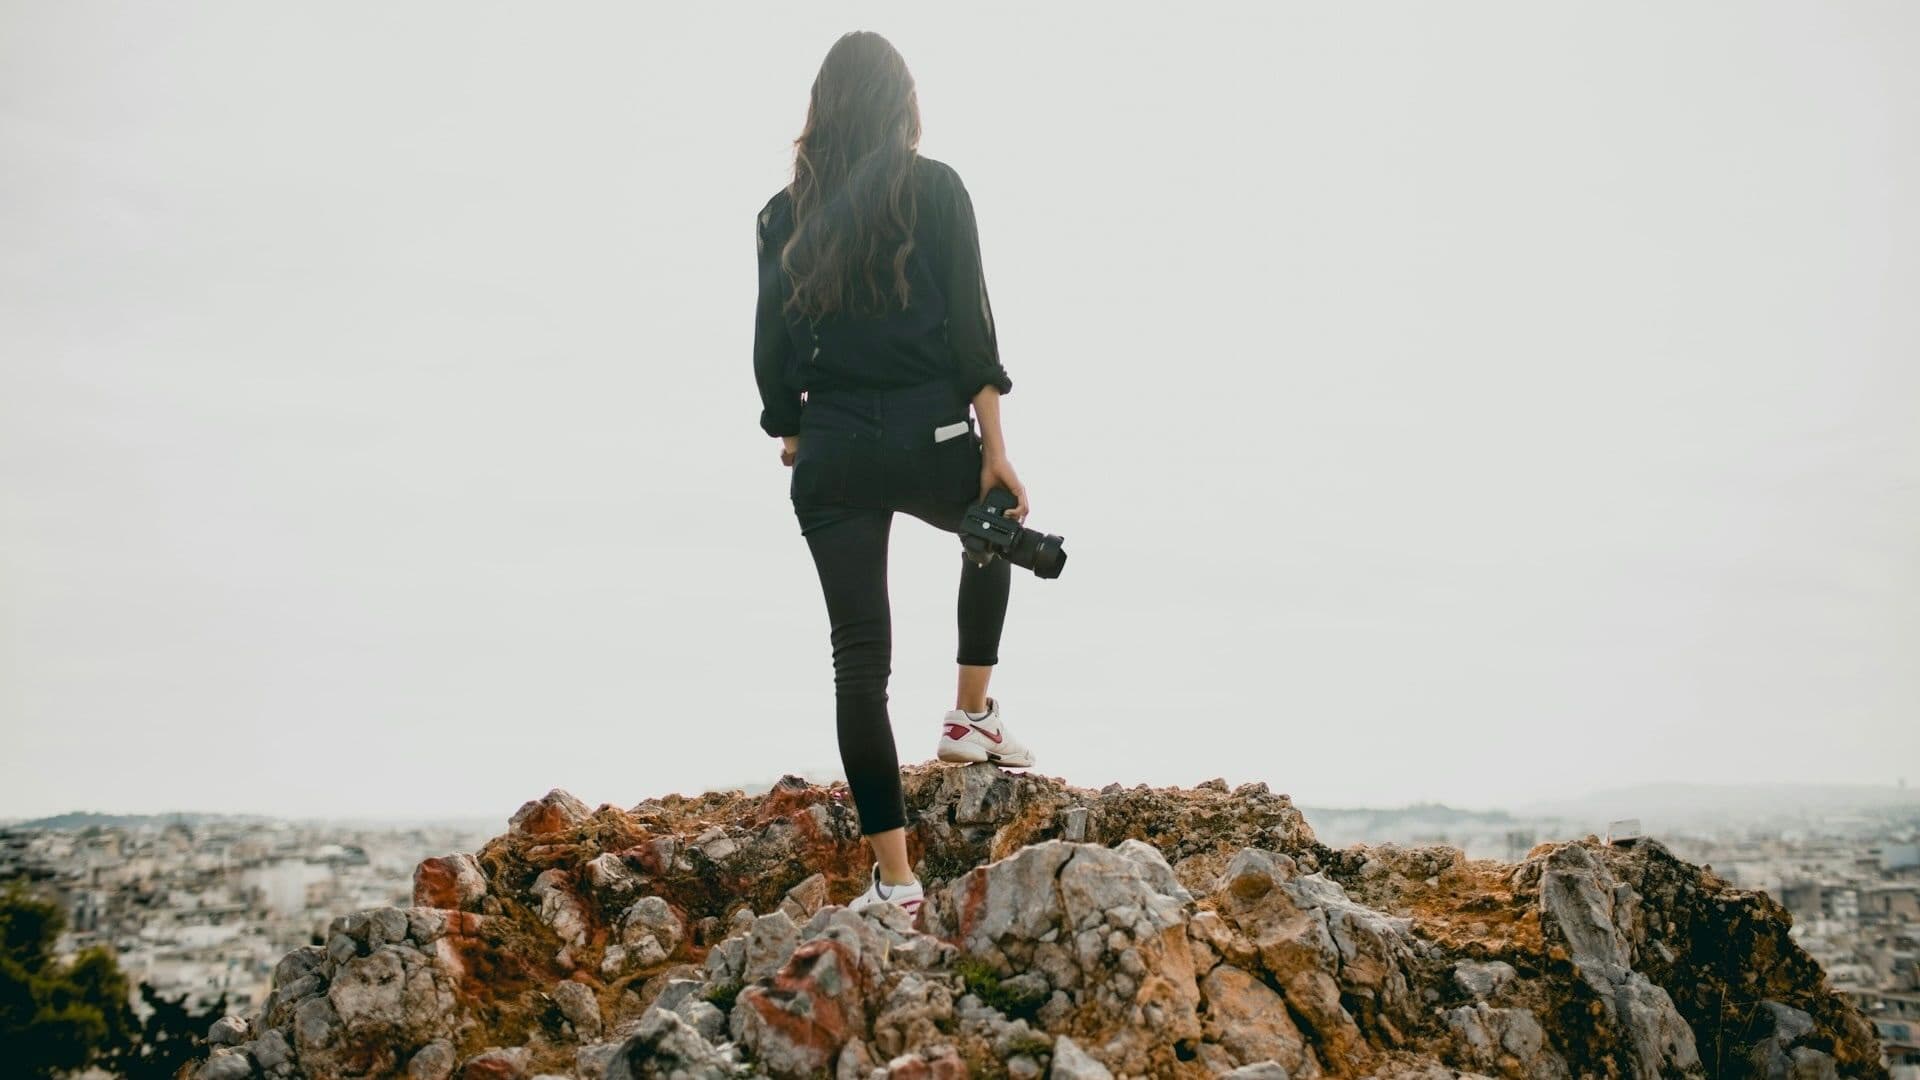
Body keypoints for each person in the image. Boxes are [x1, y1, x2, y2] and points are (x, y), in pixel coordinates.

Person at [752, 31, 1038, 917]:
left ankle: (899, 884)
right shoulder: (937, 189)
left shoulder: (779, 214)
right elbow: (971, 337)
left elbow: (770, 353)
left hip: (834, 446)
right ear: (901, 105)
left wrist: (793, 431)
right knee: (990, 525)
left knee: (858, 664)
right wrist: (994, 448)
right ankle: (969, 715)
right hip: (932, 433)